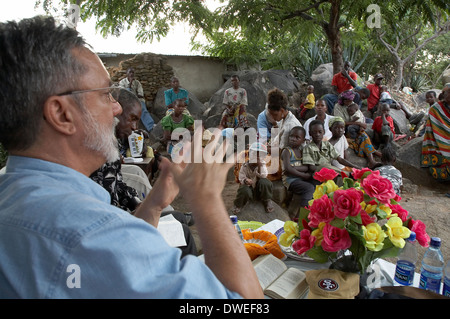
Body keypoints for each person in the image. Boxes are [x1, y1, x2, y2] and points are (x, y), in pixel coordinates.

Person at [0, 16, 263, 298]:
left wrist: (154, 203)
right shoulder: (94, 234)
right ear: (62, 114)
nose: (116, 108)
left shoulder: (10, 194)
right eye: (105, 94)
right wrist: (207, 200)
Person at [89, 89, 197, 258]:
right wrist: (146, 211)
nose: (134, 128)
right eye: (132, 119)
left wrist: (139, 204)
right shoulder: (97, 148)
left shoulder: (110, 142)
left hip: (121, 219)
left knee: (177, 218)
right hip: (115, 231)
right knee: (183, 233)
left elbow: (118, 186)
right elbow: (108, 204)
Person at [334, 98, 380, 168]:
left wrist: (361, 124)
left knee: (364, 136)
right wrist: (358, 123)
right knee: (360, 140)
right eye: (348, 100)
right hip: (344, 131)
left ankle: (372, 161)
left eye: (350, 100)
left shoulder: (353, 105)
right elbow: (341, 123)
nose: (350, 102)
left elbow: (361, 116)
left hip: (354, 129)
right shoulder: (338, 107)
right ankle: (374, 153)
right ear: (344, 100)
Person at [281, 127, 315, 220]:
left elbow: (306, 167)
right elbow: (288, 169)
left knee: (315, 183)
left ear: (303, 140)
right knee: (309, 188)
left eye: (297, 137)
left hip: (299, 179)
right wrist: (303, 174)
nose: (293, 139)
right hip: (290, 180)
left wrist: (294, 168)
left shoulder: (302, 151)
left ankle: (311, 212)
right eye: (291, 136)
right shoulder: (287, 151)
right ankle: (301, 216)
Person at [231, 142, 274, 214]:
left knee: (265, 182)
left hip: (259, 191)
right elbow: (241, 178)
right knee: (243, 189)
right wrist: (246, 180)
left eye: (260, 155)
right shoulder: (244, 166)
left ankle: (267, 200)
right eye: (254, 154)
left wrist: (260, 166)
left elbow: (263, 176)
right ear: (250, 154)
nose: (257, 157)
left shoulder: (262, 165)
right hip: (249, 191)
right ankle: (238, 205)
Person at [421, 85, 450, 183]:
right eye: (446, 92)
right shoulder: (436, 109)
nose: (446, 95)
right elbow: (431, 128)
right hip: (442, 140)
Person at [119, 67, 155, 132]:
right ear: (126, 73)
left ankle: (151, 127)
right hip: (127, 101)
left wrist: (133, 95)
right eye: (130, 72)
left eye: (133, 72)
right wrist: (130, 85)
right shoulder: (122, 82)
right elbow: (123, 94)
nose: (131, 74)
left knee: (142, 109)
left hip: (137, 100)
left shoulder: (137, 83)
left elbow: (140, 94)